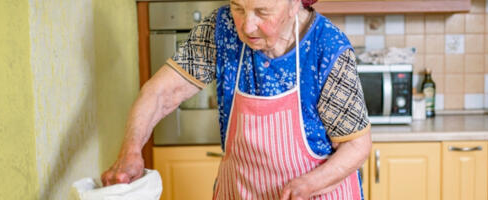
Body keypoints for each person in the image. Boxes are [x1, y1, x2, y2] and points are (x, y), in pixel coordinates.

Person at [101, 0, 372, 199]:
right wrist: (131, 151)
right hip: (240, 190)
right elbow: (160, 92)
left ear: (294, 5)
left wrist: (305, 187)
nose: (246, 25)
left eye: (262, 12)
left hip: (316, 193)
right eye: (238, 7)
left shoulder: (328, 47)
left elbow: (356, 145)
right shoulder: (222, 29)